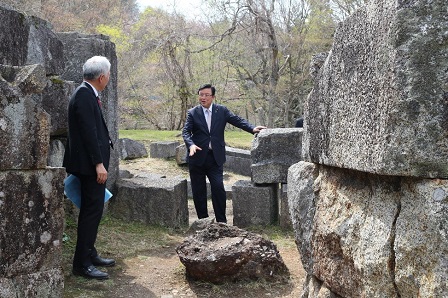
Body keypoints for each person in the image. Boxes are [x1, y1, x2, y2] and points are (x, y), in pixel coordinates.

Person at [182, 84, 266, 223]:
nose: (203, 97)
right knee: (199, 191)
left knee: (218, 188)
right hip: (196, 157)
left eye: (206, 95)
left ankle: (222, 223)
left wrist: (252, 128)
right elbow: (186, 132)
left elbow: (237, 120)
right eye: (201, 94)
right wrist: (191, 145)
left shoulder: (221, 110)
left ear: (213, 97)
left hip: (215, 157)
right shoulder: (193, 112)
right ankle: (203, 222)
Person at [63, 56, 115, 280]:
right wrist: (99, 164)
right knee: (90, 213)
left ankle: (90, 253)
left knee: (93, 211)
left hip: (89, 165)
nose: (109, 79)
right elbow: (88, 133)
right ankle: (82, 264)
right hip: (89, 167)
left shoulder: (87, 93)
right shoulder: (84, 95)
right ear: (102, 76)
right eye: (109, 75)